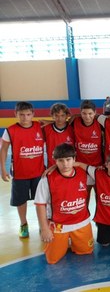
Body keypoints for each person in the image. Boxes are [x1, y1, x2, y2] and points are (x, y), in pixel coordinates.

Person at [34, 143, 93, 264]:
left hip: (81, 223)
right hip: (59, 226)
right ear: (55, 161)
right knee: (52, 259)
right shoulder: (47, 179)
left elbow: (101, 174)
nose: (65, 164)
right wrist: (44, 228)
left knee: (86, 251)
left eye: (68, 160)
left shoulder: (83, 174)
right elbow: (40, 204)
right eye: (61, 160)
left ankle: (73, 242)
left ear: (74, 159)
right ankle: (63, 241)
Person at [0, 101, 45, 238]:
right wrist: (3, 169)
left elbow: (55, 121)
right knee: (21, 201)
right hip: (20, 173)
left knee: (41, 201)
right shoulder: (10, 130)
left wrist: (45, 120)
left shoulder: (40, 126)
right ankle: (23, 224)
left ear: (33, 114)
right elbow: (4, 149)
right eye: (21, 115)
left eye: (28, 114)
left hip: (39, 172)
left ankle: (42, 224)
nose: (25, 118)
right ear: (15, 114)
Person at [71, 100, 103, 168]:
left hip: (97, 165)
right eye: (84, 113)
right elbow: (62, 124)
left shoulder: (100, 123)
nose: (87, 116)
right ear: (80, 113)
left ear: (95, 113)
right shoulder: (75, 122)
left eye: (90, 113)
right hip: (79, 164)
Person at [43, 103, 75, 167]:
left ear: (67, 115)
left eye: (62, 115)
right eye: (56, 115)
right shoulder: (46, 128)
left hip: (69, 166)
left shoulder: (73, 128)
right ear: (52, 116)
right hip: (52, 166)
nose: (59, 118)